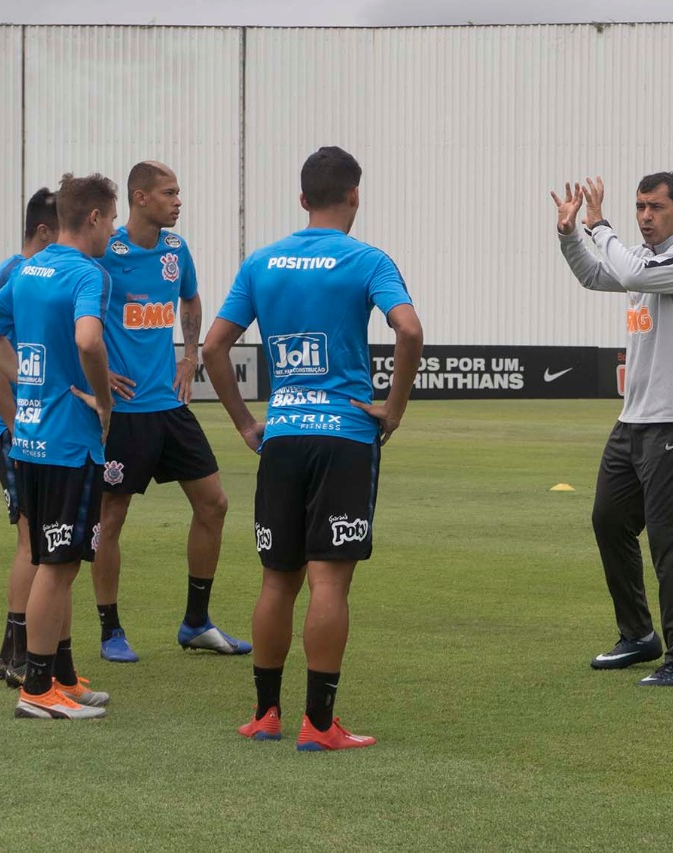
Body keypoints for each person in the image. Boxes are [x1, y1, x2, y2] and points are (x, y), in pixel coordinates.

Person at [204, 146, 423, 750]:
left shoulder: (262, 262)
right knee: (329, 584)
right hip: (345, 435)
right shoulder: (368, 260)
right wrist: (393, 408)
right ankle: (320, 725)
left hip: (284, 435)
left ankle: (265, 715)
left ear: (302, 199)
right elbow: (408, 330)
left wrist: (249, 424)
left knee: (278, 581)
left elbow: (212, 348)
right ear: (355, 194)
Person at [551, 172, 673, 686]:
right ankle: (638, 636)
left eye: (655, 207)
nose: (645, 216)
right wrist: (569, 236)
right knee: (609, 520)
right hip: (633, 419)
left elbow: (624, 268)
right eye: (639, 207)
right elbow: (595, 275)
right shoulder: (643, 266)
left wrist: (599, 224)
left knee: (671, 542)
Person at [0, 172, 118, 719]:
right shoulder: (88, 273)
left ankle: (58, 674)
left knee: (55, 559)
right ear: (96, 218)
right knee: (56, 566)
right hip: (67, 442)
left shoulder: (30, 269)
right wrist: (103, 400)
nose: (114, 230)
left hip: (29, 437)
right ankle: (37, 690)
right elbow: (87, 339)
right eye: (113, 219)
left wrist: (27, 382)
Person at [92, 160, 247, 663]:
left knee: (214, 504)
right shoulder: (105, 254)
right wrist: (94, 376)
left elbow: (192, 300)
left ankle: (196, 623)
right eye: (169, 192)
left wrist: (190, 353)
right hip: (126, 411)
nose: (179, 200)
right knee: (111, 517)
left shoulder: (176, 250)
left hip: (170, 404)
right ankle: (110, 629)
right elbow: (75, 316)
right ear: (140, 198)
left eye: (179, 192)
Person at [0, 188, 60, 688]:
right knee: (33, 540)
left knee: (37, 539)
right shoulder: (12, 275)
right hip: (15, 429)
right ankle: (15, 652)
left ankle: (17, 651)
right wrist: (19, 427)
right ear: (46, 232)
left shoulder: (33, 276)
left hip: (30, 427)